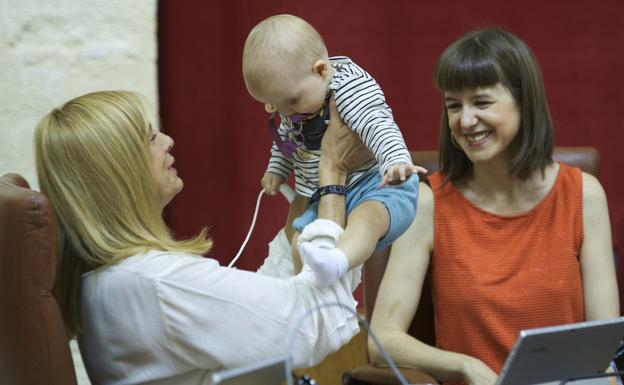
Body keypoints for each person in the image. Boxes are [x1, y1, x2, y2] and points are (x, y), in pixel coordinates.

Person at [34, 90, 372, 385]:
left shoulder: (113, 281)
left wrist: (300, 211)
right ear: (118, 172)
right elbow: (313, 324)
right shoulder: (155, 283)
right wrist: (333, 176)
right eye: (150, 138)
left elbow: (261, 315)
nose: (167, 141)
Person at [369, 28, 620, 385]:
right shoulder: (428, 203)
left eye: (482, 102)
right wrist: (464, 365)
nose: (465, 120)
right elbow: (382, 341)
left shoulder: (584, 195)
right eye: (454, 105)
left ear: (524, 102)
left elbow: (601, 349)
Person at [242, 14, 425, 285]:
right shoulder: (291, 105)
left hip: (376, 185)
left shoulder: (349, 89)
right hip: (323, 196)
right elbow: (285, 140)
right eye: (273, 105)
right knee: (300, 243)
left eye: (291, 102)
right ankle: (305, 291)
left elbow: (378, 124)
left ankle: (337, 262)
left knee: (367, 219)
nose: (285, 112)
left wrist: (395, 161)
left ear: (321, 71)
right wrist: (276, 170)